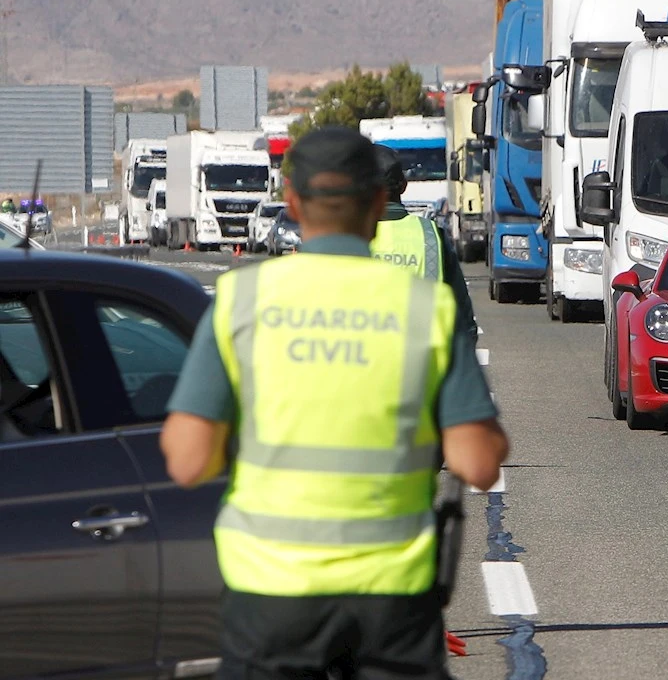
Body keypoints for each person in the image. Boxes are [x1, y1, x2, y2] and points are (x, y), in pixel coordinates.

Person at [159, 125, 509, 680]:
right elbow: (479, 462)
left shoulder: (240, 302)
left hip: (270, 594)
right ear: (378, 200)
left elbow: (186, 459)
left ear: (292, 203)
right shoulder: (425, 310)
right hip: (391, 598)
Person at [371, 144, 479, 342]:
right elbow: (463, 318)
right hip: (425, 362)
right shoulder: (431, 235)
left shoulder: (347, 239)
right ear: (404, 186)